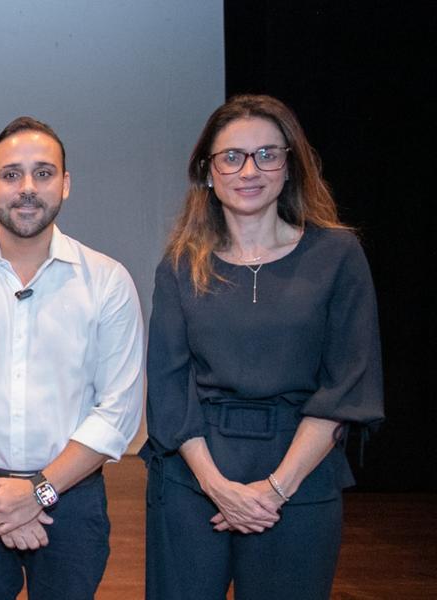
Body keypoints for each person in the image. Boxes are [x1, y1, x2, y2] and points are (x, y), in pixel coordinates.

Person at [141, 94, 384, 599]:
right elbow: (168, 383)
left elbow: (346, 383)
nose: (249, 170)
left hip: (301, 472)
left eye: (267, 154)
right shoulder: (180, 265)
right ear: (207, 172)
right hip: (194, 476)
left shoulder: (337, 255)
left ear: (290, 166)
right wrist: (217, 487)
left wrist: (277, 489)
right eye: (231, 156)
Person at [0, 116, 145, 599]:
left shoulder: (108, 280)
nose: (26, 188)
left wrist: (38, 492)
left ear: (66, 183)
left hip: (74, 497)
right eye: (10, 174)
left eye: (43, 173)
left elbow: (118, 410)